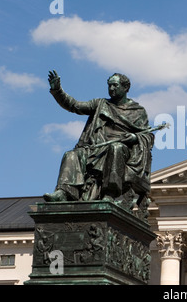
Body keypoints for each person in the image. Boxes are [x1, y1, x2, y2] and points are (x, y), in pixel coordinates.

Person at [43, 70, 154, 209]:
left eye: (115, 85)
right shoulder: (100, 104)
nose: (111, 89)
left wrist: (134, 137)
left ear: (125, 88)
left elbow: (148, 136)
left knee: (116, 148)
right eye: (109, 85)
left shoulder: (138, 111)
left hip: (122, 150)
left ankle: (110, 194)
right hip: (96, 148)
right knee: (71, 155)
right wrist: (57, 90)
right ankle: (64, 192)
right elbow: (75, 106)